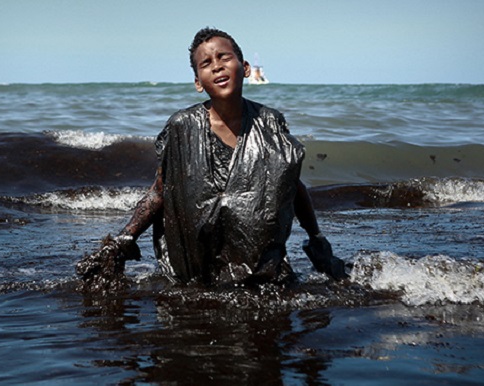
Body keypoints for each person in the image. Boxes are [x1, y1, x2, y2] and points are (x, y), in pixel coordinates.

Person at [77, 27, 347, 292]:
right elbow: (161, 191)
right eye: (206, 63)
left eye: (224, 58)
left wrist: (316, 239)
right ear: (198, 82)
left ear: (246, 68)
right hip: (198, 272)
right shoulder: (182, 126)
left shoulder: (270, 122)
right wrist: (125, 238)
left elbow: (291, 185)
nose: (217, 66)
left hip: (263, 272)